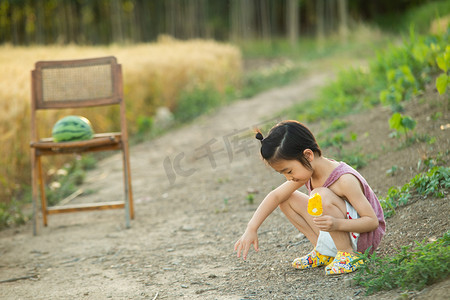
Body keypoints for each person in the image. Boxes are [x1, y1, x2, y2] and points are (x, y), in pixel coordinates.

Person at [234, 120, 385, 275]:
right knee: (286, 198)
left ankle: (347, 254)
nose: (288, 178)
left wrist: (337, 224)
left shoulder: (344, 179)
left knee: (319, 195)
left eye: (289, 171)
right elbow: (276, 196)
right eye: (284, 174)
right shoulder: (309, 172)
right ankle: (323, 251)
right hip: (337, 228)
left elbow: (372, 222)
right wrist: (252, 228)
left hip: (362, 239)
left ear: (308, 155)